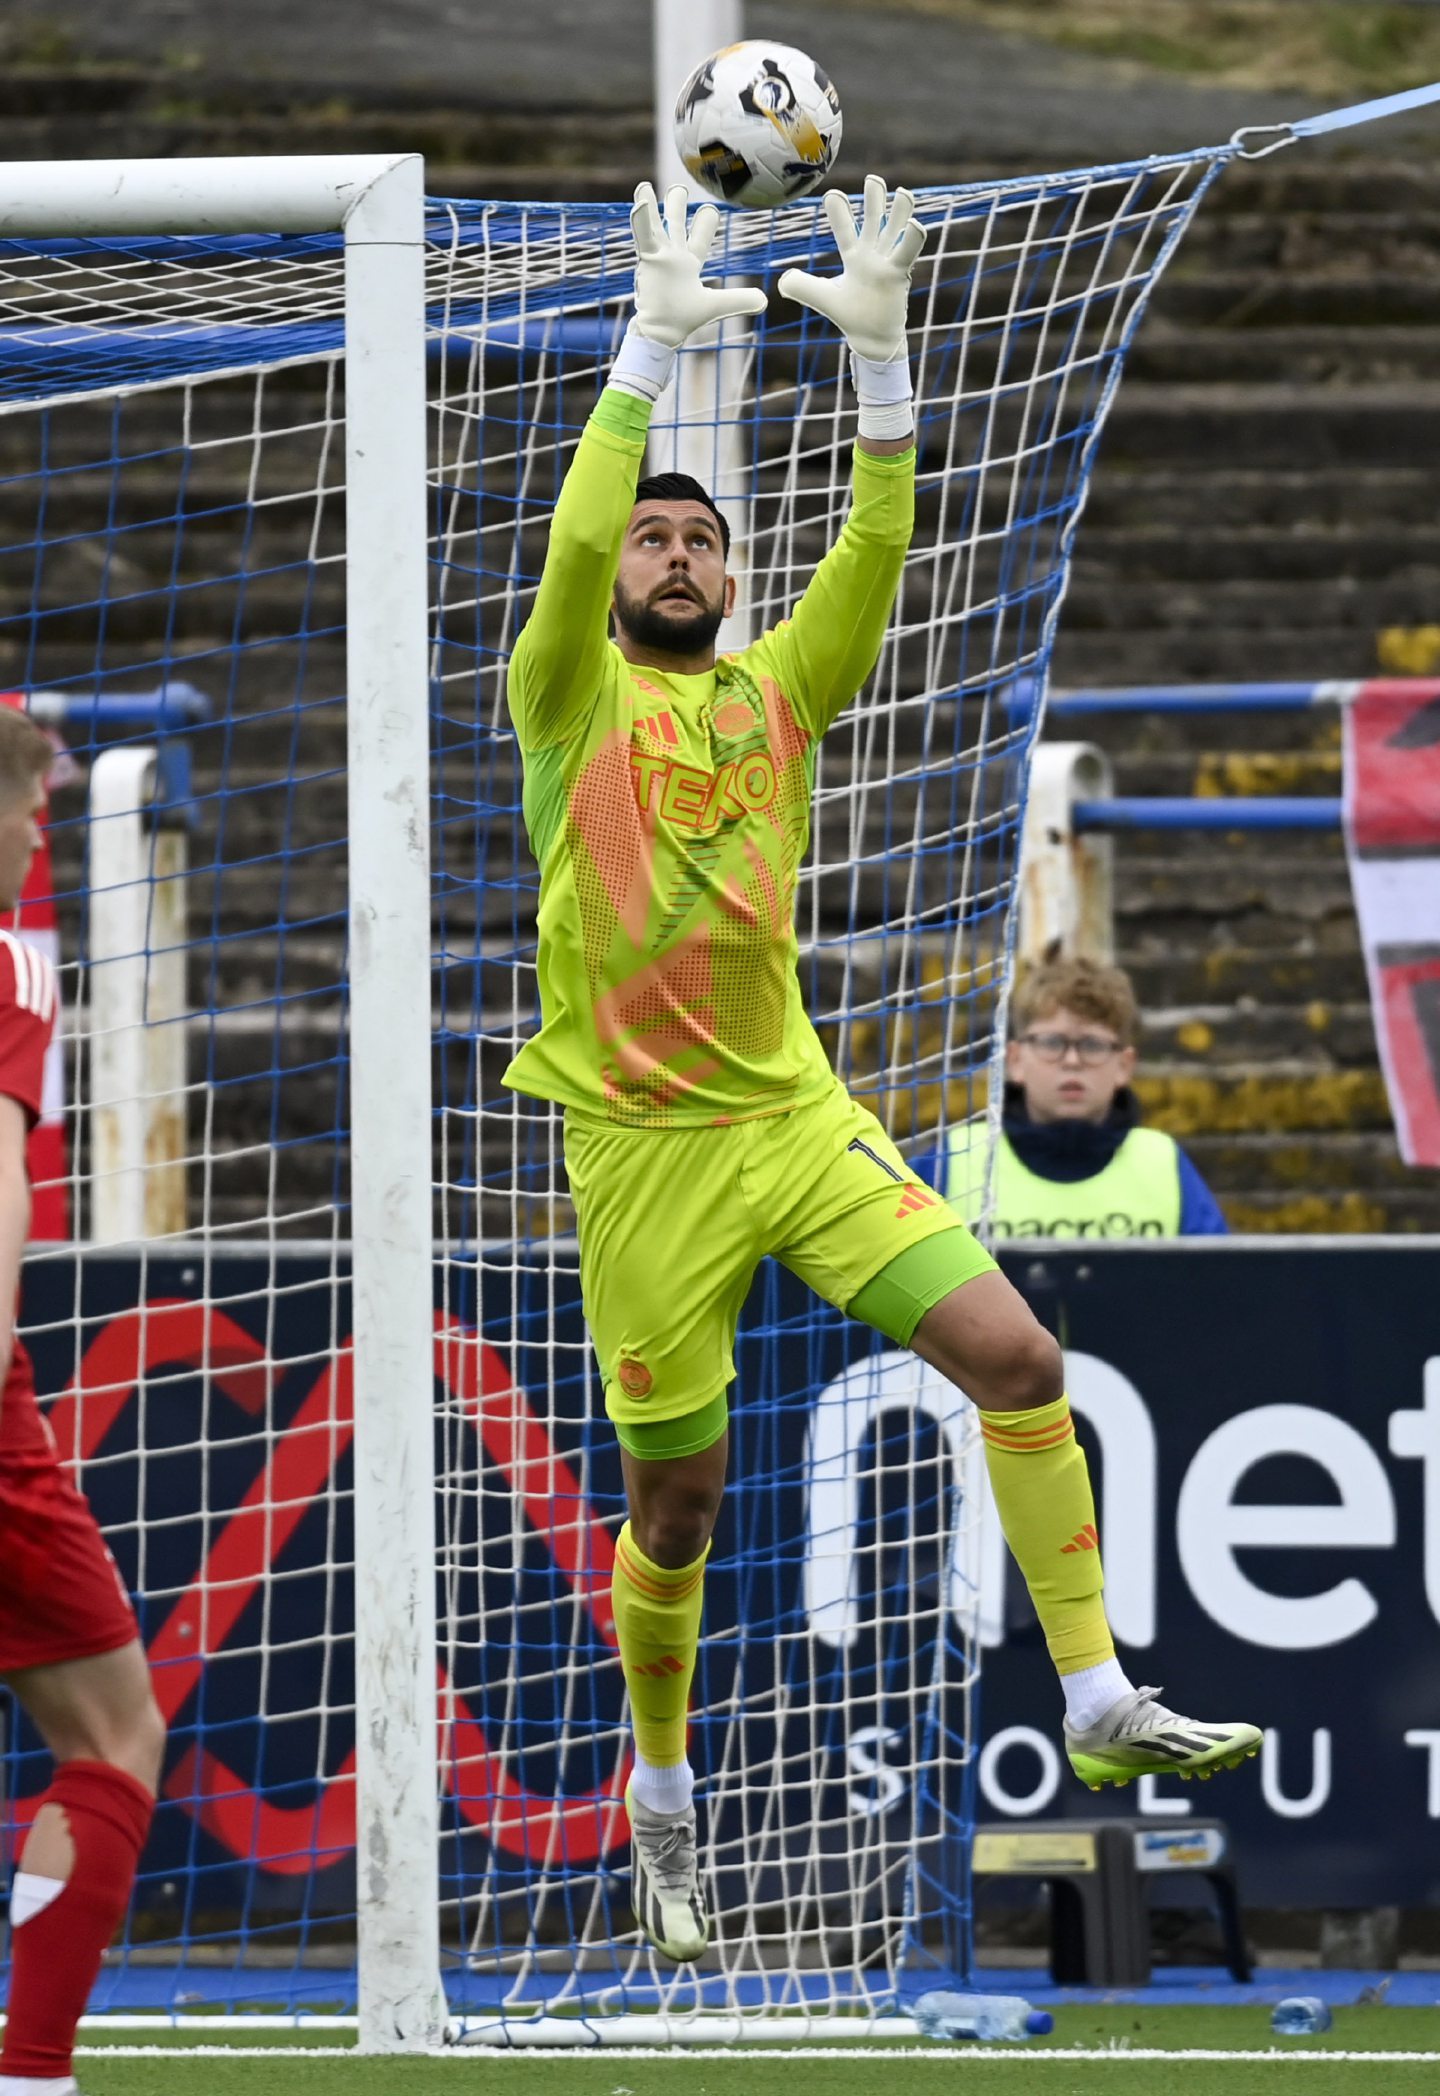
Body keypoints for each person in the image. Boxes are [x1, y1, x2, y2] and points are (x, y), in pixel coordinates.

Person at [504, 178, 1258, 1968]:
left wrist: (884, 364)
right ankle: (666, 1800)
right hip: (640, 1158)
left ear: (731, 578)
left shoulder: (778, 695)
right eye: (655, 539)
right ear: (623, 580)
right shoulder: (568, 699)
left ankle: (1090, 1685)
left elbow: (875, 557)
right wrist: (648, 353)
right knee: (677, 1502)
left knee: (1020, 1357)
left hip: (794, 1118)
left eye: (703, 538)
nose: (676, 550)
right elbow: (564, 559)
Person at [0, 707, 164, 2096]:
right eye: (34, 809)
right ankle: (34, 2075)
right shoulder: (10, 969)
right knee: (113, 1736)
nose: (42, 831)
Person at [924, 954, 1229, 1238]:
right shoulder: (954, 1160)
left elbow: (1221, 1285)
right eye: (1052, 1042)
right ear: (1015, 1060)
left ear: (1124, 1065)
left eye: (1092, 1045)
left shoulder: (1164, 1164)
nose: (1072, 1061)